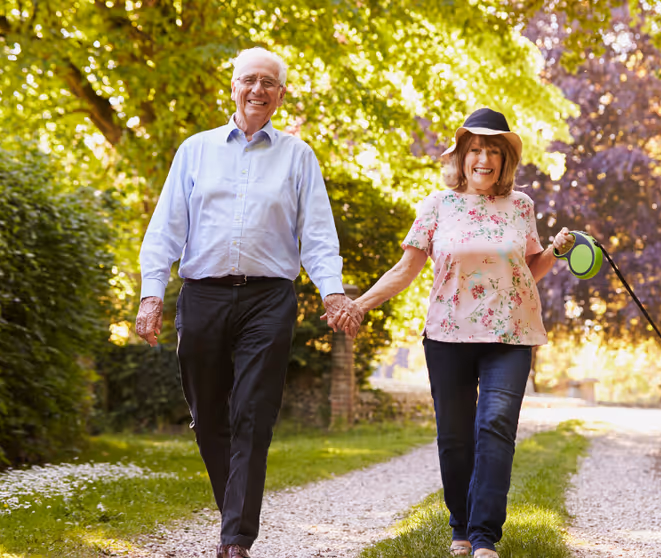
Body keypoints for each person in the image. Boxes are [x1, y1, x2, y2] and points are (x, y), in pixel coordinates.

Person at [134, 47, 360, 558]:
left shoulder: (299, 157)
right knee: (208, 412)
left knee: (253, 413)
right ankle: (233, 512)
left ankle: (235, 539)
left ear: (281, 94)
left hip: (268, 298)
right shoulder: (195, 151)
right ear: (233, 87)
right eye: (249, 80)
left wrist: (333, 292)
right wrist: (152, 295)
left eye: (269, 82)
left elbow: (318, 237)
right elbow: (166, 229)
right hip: (203, 294)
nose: (258, 89)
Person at [327, 108, 574, 558]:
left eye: (493, 151)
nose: (484, 159)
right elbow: (406, 269)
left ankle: (483, 537)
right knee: (455, 436)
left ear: (505, 160)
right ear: (461, 157)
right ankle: (459, 525)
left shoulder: (521, 206)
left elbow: (527, 270)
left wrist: (555, 251)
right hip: (448, 335)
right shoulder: (437, 205)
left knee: (495, 425)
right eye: (475, 149)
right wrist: (358, 305)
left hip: (511, 334)